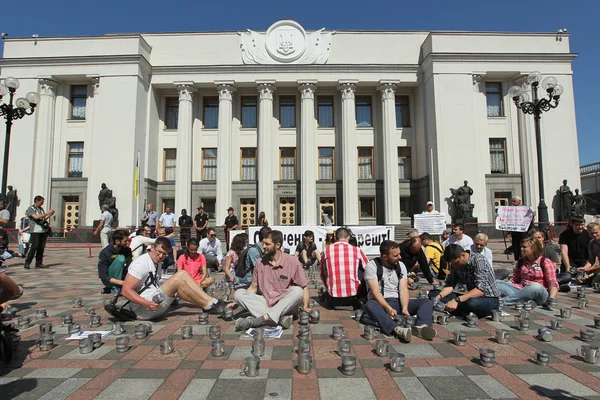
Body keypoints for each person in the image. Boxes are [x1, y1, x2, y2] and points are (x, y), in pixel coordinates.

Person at [121, 236, 225, 320]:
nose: (161, 256)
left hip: (156, 302)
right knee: (179, 277)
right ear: (152, 247)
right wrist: (147, 303)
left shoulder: (157, 262)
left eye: (164, 254)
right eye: (159, 252)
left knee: (182, 275)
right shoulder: (140, 263)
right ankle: (210, 304)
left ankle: (210, 303)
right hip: (142, 309)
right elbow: (125, 291)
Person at [360, 240, 436, 342]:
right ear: (385, 257)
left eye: (399, 254)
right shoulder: (372, 266)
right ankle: (397, 329)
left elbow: (403, 288)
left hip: (397, 302)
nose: (400, 257)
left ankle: (421, 327)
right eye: (396, 255)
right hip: (380, 303)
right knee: (370, 305)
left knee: (426, 302)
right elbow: (375, 292)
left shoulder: (401, 265)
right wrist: (388, 308)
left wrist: (404, 307)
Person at [233, 230, 310, 330]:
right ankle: (279, 318)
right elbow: (253, 288)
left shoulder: (292, 261)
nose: (263, 246)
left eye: (267, 244)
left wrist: (305, 307)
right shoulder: (260, 263)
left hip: (285, 302)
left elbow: (304, 288)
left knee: (298, 291)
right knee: (238, 293)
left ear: (277, 245)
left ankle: (261, 319)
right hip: (266, 302)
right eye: (263, 243)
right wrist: (237, 302)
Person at [429, 244, 500, 318]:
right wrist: (438, 298)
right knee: (433, 293)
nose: (455, 266)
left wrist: (457, 300)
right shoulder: (455, 264)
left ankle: (457, 310)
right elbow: (450, 285)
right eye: (453, 264)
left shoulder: (479, 260)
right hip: (470, 297)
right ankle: (460, 310)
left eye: (456, 263)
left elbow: (480, 290)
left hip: (488, 299)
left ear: (463, 255)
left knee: (471, 303)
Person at [496, 237, 559, 306]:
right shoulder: (521, 261)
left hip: (539, 293)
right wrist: (505, 285)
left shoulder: (545, 262)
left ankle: (503, 302)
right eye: (521, 247)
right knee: (496, 283)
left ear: (534, 248)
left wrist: (551, 298)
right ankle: (523, 300)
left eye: (524, 247)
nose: (521, 249)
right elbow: (514, 280)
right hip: (521, 289)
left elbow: (553, 283)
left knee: (535, 286)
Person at [320, 227, 369, 309]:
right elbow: (369, 268)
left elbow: (322, 274)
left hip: (332, 298)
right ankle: (362, 298)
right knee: (363, 269)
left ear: (335, 238)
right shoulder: (357, 250)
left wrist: (328, 287)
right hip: (353, 297)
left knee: (327, 269)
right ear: (349, 237)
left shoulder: (326, 250)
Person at [98, 229, 132, 295]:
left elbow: (129, 266)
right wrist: (120, 283)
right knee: (121, 259)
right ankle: (115, 287)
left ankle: (111, 288)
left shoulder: (127, 251)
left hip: (123, 279)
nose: (127, 243)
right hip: (109, 280)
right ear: (117, 241)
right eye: (125, 241)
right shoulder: (105, 252)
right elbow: (103, 275)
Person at [24, 195, 54, 270]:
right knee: (34, 246)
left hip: (42, 230)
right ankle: (27, 262)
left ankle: (39, 263)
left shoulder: (41, 209)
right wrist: (47, 213)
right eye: (41, 202)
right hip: (35, 230)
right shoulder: (31, 209)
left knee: (41, 247)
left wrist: (49, 215)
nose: (42, 204)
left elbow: (42, 219)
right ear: (37, 201)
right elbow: (36, 217)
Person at [508, 196, 535, 260]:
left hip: (524, 231)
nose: (512, 203)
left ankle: (524, 257)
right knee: (516, 245)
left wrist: (533, 215)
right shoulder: (511, 210)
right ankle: (517, 258)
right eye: (512, 201)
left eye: (514, 201)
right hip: (515, 231)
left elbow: (531, 217)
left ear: (519, 201)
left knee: (524, 243)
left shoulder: (526, 209)